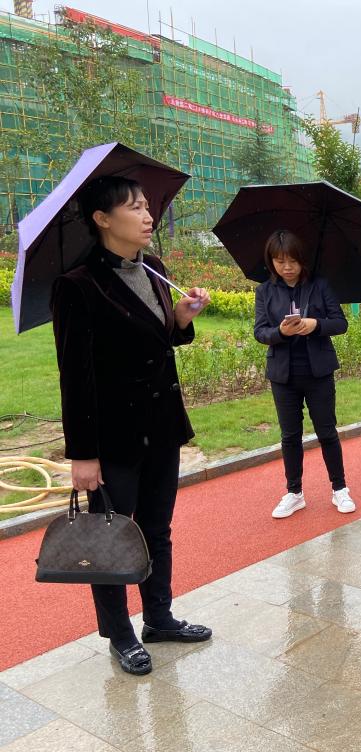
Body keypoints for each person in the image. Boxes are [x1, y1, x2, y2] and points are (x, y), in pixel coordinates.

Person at [51, 175, 213, 676]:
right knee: (112, 538)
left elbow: (159, 342)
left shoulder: (154, 269)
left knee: (157, 529)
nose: (148, 216)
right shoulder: (78, 285)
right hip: (113, 437)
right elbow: (75, 377)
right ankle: (120, 634)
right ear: (102, 219)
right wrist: (83, 454)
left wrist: (181, 318)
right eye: (134, 208)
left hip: (162, 426)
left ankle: (159, 618)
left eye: (147, 206)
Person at [255, 229, 355, 519]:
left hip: (318, 371)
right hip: (283, 374)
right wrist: (280, 332)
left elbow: (340, 323)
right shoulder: (265, 291)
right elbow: (260, 332)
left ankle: (339, 488)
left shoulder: (319, 286)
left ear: (302, 260)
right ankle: (294, 492)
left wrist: (315, 325)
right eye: (280, 261)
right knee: (290, 436)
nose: (287, 267)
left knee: (327, 432)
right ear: (271, 262)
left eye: (292, 261)